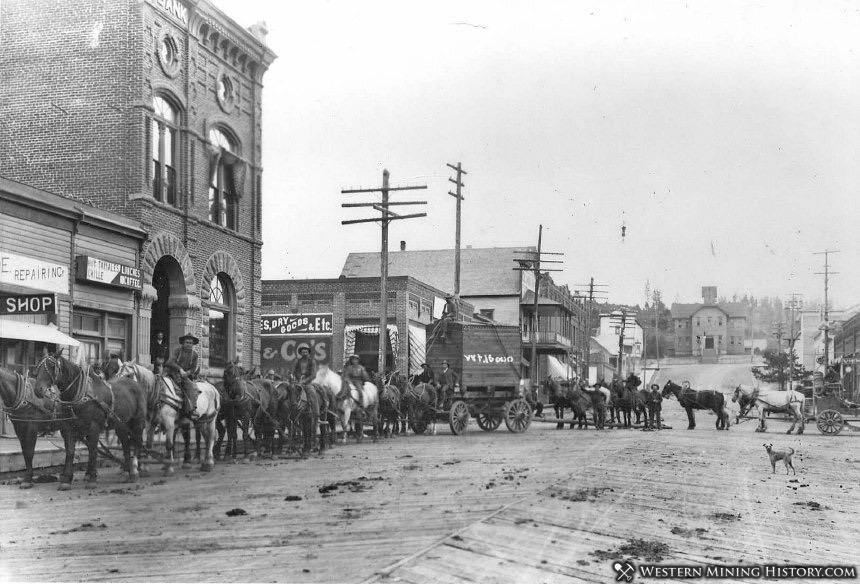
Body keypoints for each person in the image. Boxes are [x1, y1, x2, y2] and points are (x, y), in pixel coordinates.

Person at [163, 334, 200, 418]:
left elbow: (193, 369)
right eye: (187, 342)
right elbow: (170, 362)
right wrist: (180, 369)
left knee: (191, 387)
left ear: (193, 344)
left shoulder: (194, 355)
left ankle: (192, 409)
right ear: (183, 343)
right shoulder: (177, 350)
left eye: (191, 343)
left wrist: (186, 374)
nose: (189, 344)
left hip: (183, 376)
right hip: (170, 372)